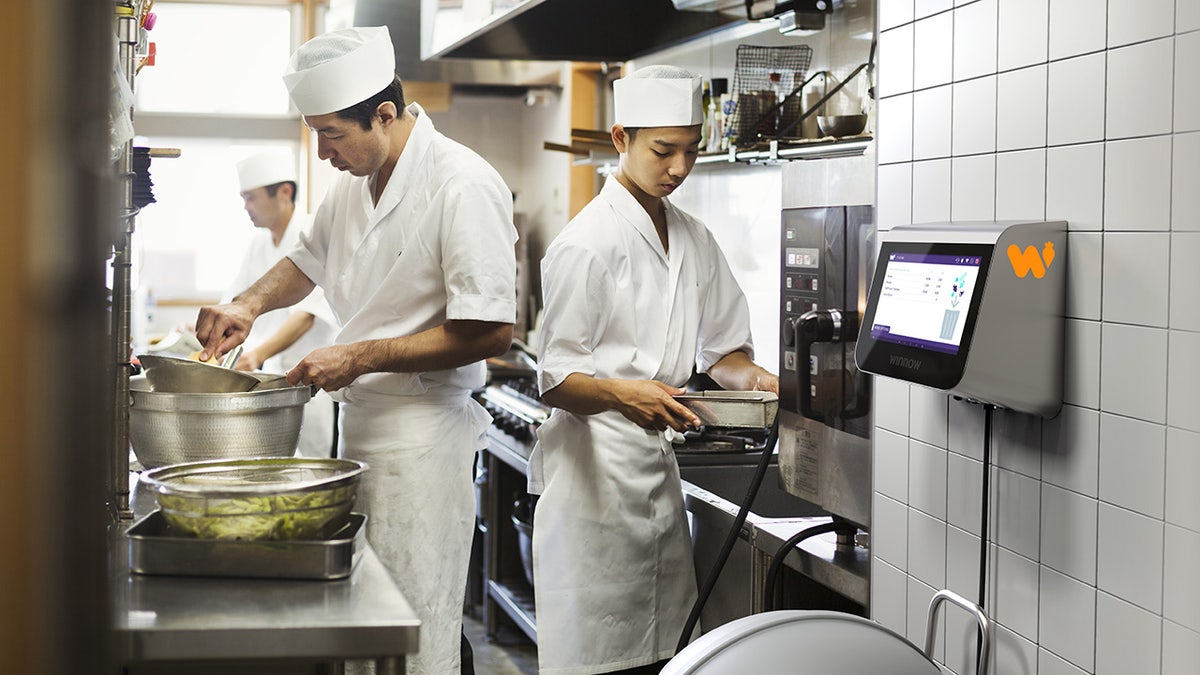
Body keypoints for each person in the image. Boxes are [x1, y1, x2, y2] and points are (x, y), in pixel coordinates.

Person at [194, 26, 517, 675]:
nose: (322, 152)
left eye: (331, 135)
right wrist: (246, 305)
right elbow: (306, 259)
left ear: (385, 114)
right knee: (370, 630)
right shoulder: (352, 182)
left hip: (424, 447)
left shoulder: (461, 184)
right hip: (363, 437)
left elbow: (489, 330)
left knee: (419, 633)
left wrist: (359, 356)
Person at [529, 65, 780, 675]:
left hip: (657, 488)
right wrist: (622, 395)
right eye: (662, 150)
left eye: (692, 151)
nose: (678, 168)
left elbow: (723, 355)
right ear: (621, 139)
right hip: (592, 489)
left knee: (663, 660)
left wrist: (769, 384)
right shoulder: (584, 244)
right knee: (597, 663)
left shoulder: (695, 238)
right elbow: (556, 378)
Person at [225, 148, 339, 458]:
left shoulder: (311, 233)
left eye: (251, 197)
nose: (246, 207)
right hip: (264, 377)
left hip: (306, 381)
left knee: (306, 479)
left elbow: (307, 315)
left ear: (284, 192)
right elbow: (237, 299)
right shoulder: (258, 242)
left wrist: (257, 354)